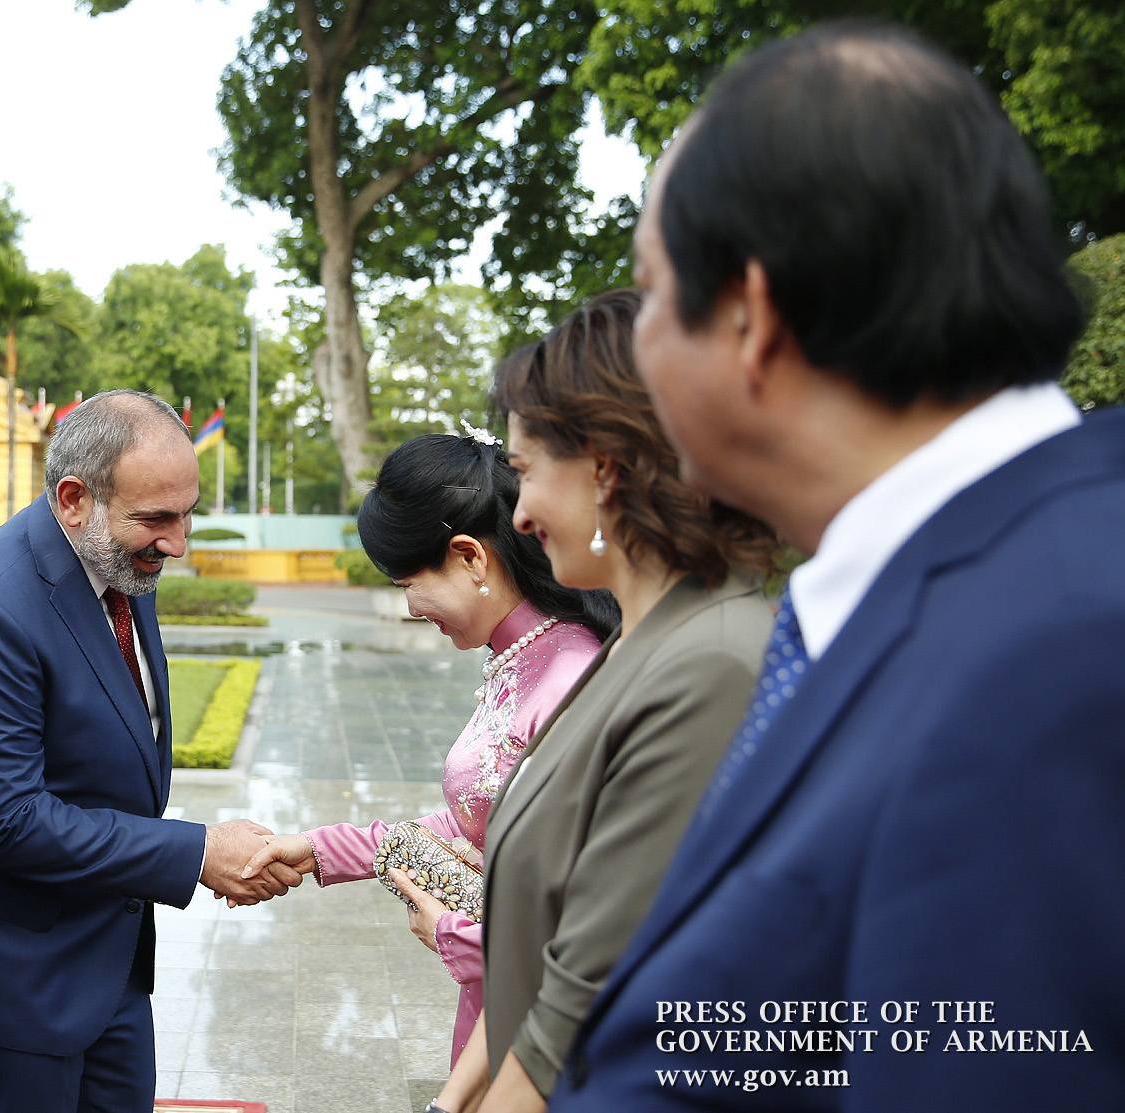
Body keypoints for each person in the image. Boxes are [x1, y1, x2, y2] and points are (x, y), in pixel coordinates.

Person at [553, 24, 1125, 1113]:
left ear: (751, 314)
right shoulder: (953, 588)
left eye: (653, 292)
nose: (640, 347)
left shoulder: (1059, 656)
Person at [431, 289, 779, 1113]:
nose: (519, 515)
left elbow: (580, 998)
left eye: (525, 473)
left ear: (606, 467)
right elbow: (546, 949)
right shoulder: (637, 641)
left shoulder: (710, 663)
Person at [0, 389, 299, 1113]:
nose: (177, 543)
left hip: (112, 967)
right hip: (17, 986)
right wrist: (195, 852)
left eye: (187, 514)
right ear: (73, 499)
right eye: (156, 519)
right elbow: (8, 820)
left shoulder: (118, 565)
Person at [242, 432, 618, 1067]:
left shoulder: (568, 678)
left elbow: (601, 907)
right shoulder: (525, 655)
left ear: (470, 556)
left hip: (546, 1032)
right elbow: (481, 815)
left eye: (407, 582)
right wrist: (317, 848)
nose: (411, 608)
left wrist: (458, 935)